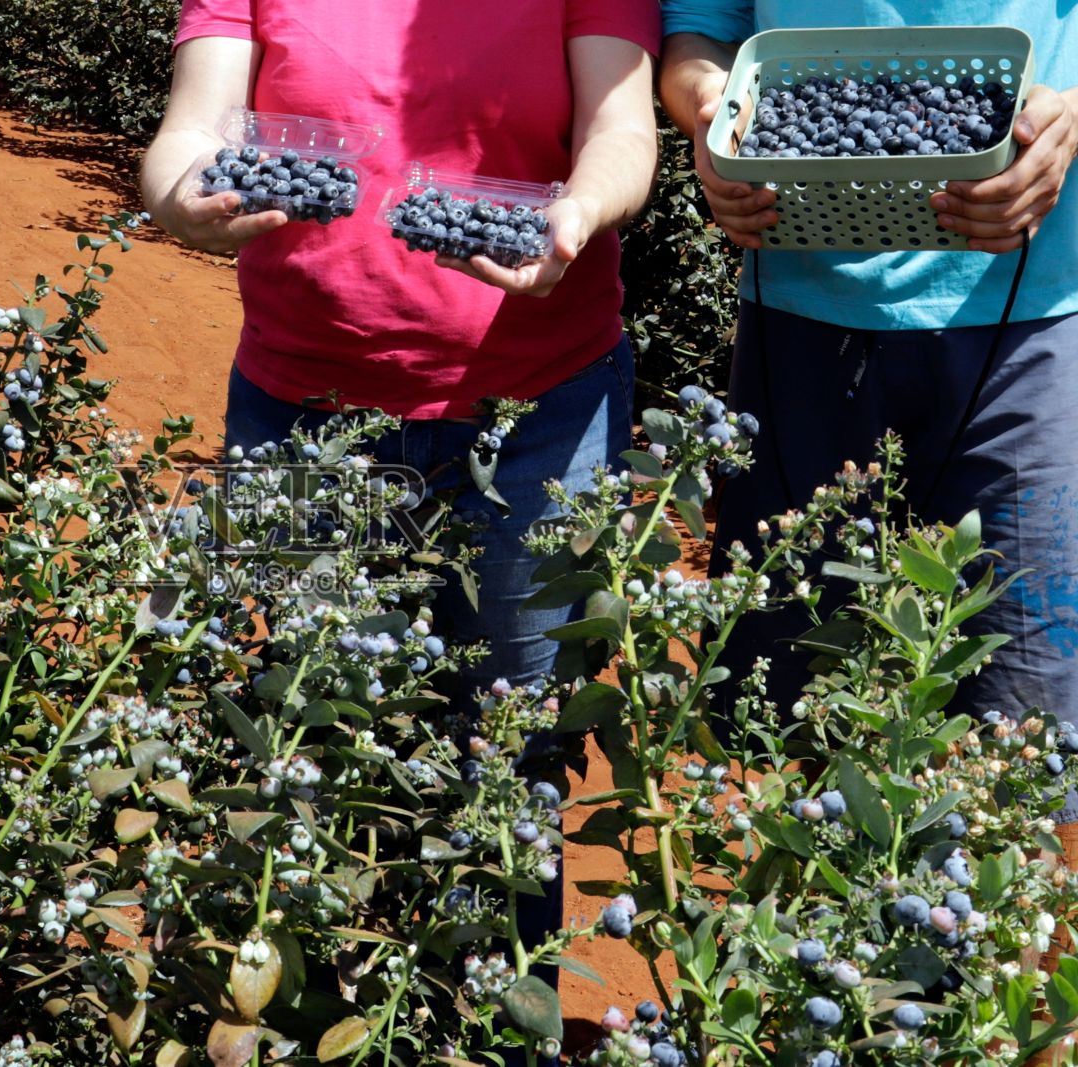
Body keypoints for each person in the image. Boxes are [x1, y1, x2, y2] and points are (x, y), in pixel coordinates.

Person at [141, 0, 660, 1024]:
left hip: (542, 417)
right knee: (309, 729)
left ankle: (486, 1026)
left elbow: (623, 132)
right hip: (304, 413)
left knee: (510, 752)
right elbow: (194, 127)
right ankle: (311, 1020)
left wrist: (576, 213)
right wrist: (176, 196)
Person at [660, 0, 1078, 992]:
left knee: (1021, 729)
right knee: (801, 709)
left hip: (1024, 317)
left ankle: (992, 1017)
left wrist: (1068, 118)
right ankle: (844, 1004)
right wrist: (715, 121)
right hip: (802, 324)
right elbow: (697, 39)